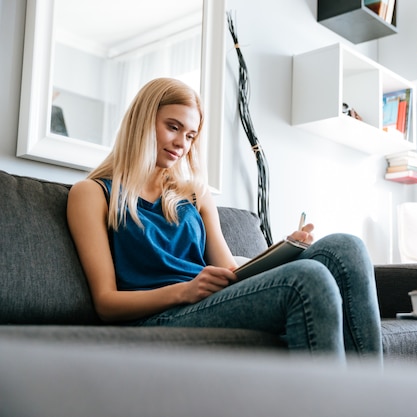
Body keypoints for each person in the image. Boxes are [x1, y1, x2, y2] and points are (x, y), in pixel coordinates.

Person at [67, 77, 382, 364]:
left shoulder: (194, 194)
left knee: (346, 247)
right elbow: (106, 303)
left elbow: (231, 272)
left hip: (210, 301)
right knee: (309, 279)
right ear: (142, 121)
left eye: (190, 135)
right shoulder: (93, 194)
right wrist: (184, 291)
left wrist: (284, 253)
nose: (182, 144)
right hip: (159, 314)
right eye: (173, 127)